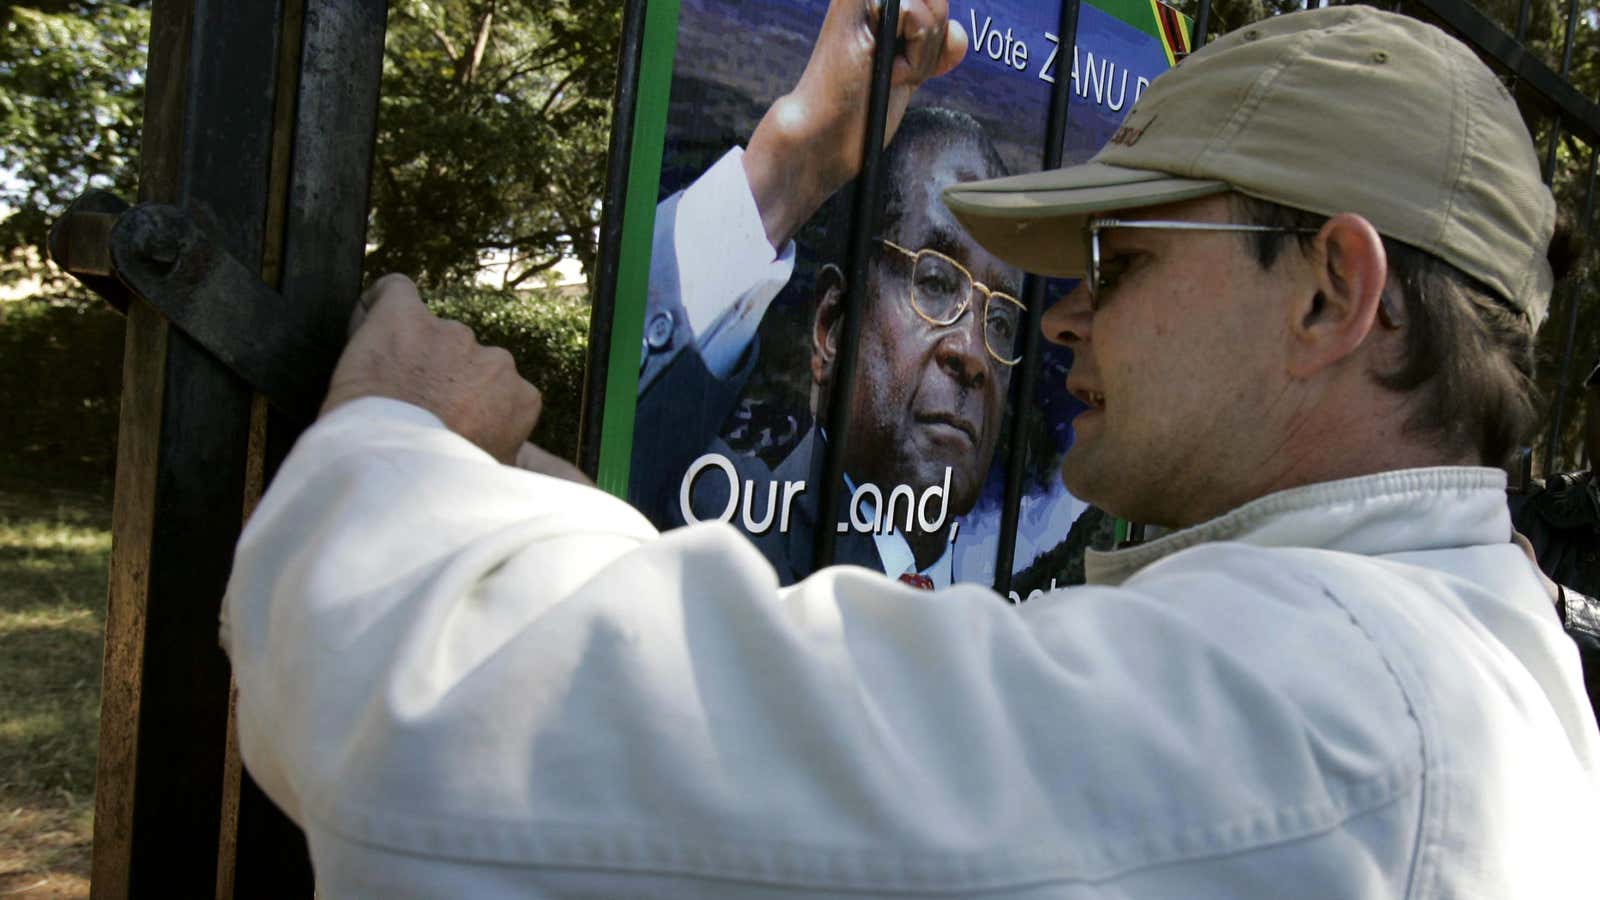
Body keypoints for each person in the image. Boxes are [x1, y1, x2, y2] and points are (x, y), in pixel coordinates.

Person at [221, 6, 1599, 897]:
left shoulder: (1300, 717)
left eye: (1111, 262)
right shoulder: (1461, 659)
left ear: (1325, 292)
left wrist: (393, 451)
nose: (1048, 328)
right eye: (950, 283)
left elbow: (439, 749)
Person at [632, 0, 1014, 587]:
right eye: (935, 284)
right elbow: (618, 438)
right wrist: (791, 169)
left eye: (1001, 324)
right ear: (832, 328)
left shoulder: (1017, 612)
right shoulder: (710, 526)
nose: (973, 353)